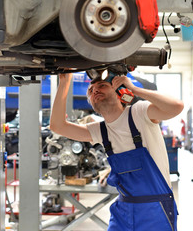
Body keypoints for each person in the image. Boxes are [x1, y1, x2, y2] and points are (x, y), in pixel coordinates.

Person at [50, 66, 184, 231]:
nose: (95, 91)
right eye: (91, 90)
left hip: (155, 209)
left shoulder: (139, 113)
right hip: (123, 210)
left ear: (120, 93)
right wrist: (64, 83)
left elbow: (176, 106)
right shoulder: (101, 130)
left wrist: (135, 89)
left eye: (102, 86)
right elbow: (57, 126)